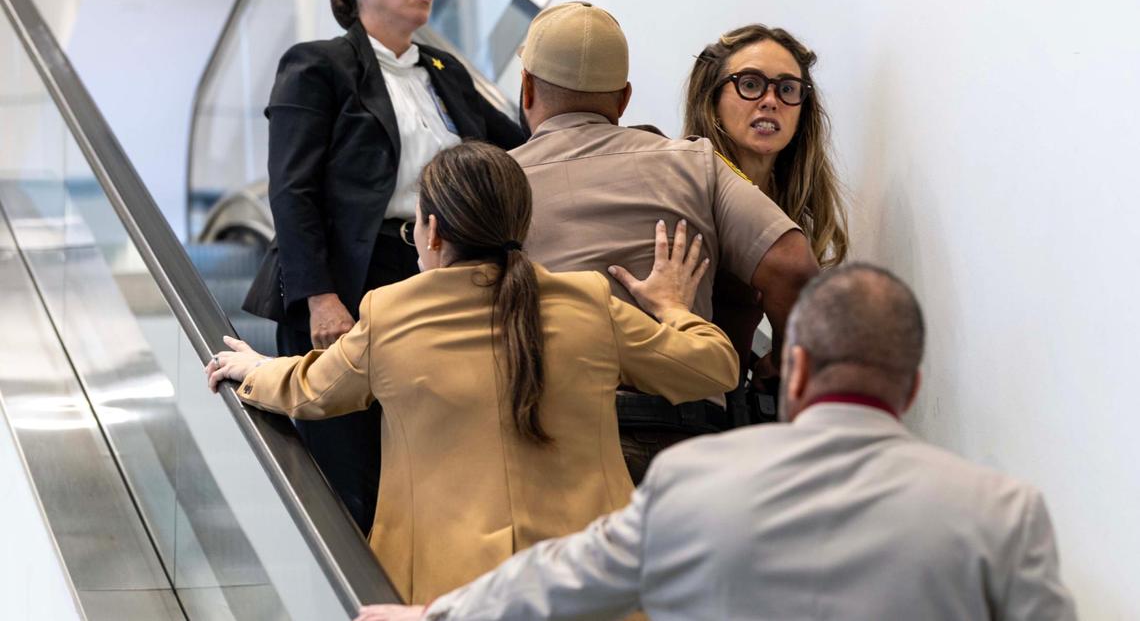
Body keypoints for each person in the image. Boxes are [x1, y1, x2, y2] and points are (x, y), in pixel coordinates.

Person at [358, 264, 1077, 621]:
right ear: (912, 386)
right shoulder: (1004, 513)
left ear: (793, 367)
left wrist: (432, 613)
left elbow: (557, 578)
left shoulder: (694, 481)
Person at [211, 141, 739, 606]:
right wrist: (673, 306)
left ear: (433, 230)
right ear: (520, 224)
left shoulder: (390, 314)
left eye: (412, 224)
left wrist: (254, 369)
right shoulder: (588, 302)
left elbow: (312, 390)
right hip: (587, 587)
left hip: (446, 595)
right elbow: (714, 369)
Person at [240, 0, 524, 531]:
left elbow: (525, 154)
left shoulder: (449, 77)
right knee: (355, 477)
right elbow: (292, 191)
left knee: (432, 472)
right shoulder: (318, 66)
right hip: (351, 280)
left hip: (440, 279)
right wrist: (320, 297)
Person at [509, 1, 819, 481]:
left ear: (526, 88)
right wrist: (780, 356)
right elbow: (793, 265)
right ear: (624, 99)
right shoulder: (693, 163)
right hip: (687, 434)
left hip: (554, 435)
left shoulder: (499, 181)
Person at [683, 24, 851, 424]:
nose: (770, 101)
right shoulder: (685, 186)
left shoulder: (782, 207)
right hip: (674, 414)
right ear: (713, 97)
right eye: (751, 84)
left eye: (787, 89)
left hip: (723, 416)